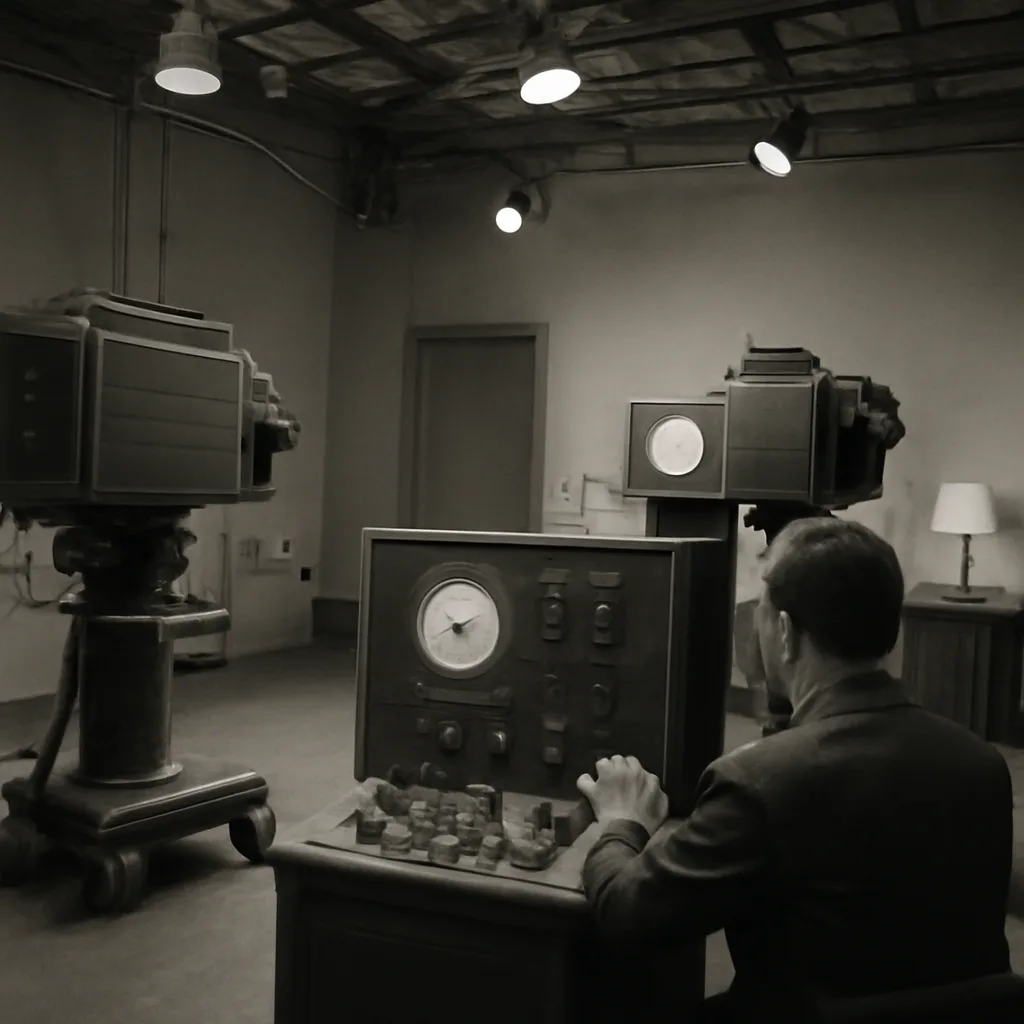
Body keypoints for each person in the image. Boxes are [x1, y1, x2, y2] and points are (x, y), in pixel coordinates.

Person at [577, 517, 1013, 1020]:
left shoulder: (760, 783)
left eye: (760, 613)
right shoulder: (982, 763)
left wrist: (619, 822)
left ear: (784, 633)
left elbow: (628, 917)